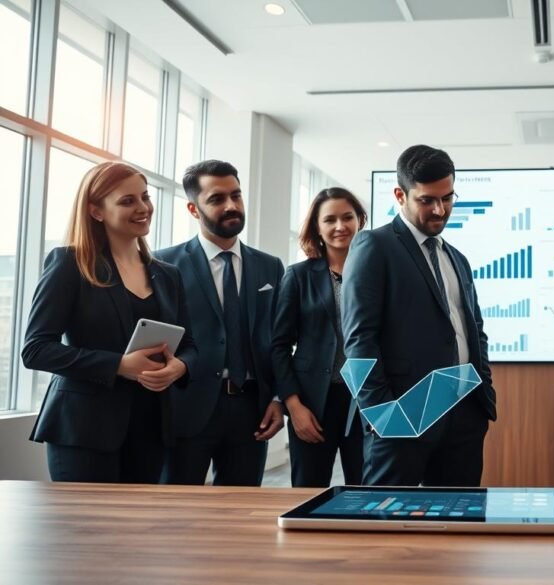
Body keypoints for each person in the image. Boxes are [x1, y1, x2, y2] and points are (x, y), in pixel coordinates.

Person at [23, 161, 195, 483]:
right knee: (87, 532)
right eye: (127, 201)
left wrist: (179, 367)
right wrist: (119, 365)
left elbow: (189, 344)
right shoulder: (69, 264)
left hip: (150, 428)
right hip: (83, 429)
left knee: (136, 532)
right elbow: (36, 350)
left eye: (145, 197)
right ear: (96, 211)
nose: (143, 208)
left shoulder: (168, 274)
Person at [342, 144, 496, 487]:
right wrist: (380, 414)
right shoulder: (374, 246)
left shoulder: (457, 258)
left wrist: (483, 391)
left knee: (460, 521)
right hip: (401, 415)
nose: (440, 209)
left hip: (465, 413)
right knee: (388, 524)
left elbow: (475, 331)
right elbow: (358, 338)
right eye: (427, 200)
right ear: (400, 194)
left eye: (448, 197)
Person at [155, 160, 285, 486]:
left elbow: (279, 340)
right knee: (176, 514)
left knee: (240, 515)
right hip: (185, 408)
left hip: (251, 411)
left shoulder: (270, 267)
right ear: (193, 208)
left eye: (236, 196)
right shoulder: (163, 263)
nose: (231, 206)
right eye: (216, 199)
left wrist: (277, 398)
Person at [271, 188, 367, 487]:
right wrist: (294, 407)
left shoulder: (375, 271)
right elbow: (279, 345)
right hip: (313, 402)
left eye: (347, 217)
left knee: (367, 493)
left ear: (360, 220)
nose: (340, 226)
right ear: (317, 227)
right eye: (330, 220)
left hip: (364, 401)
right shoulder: (298, 275)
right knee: (307, 492)